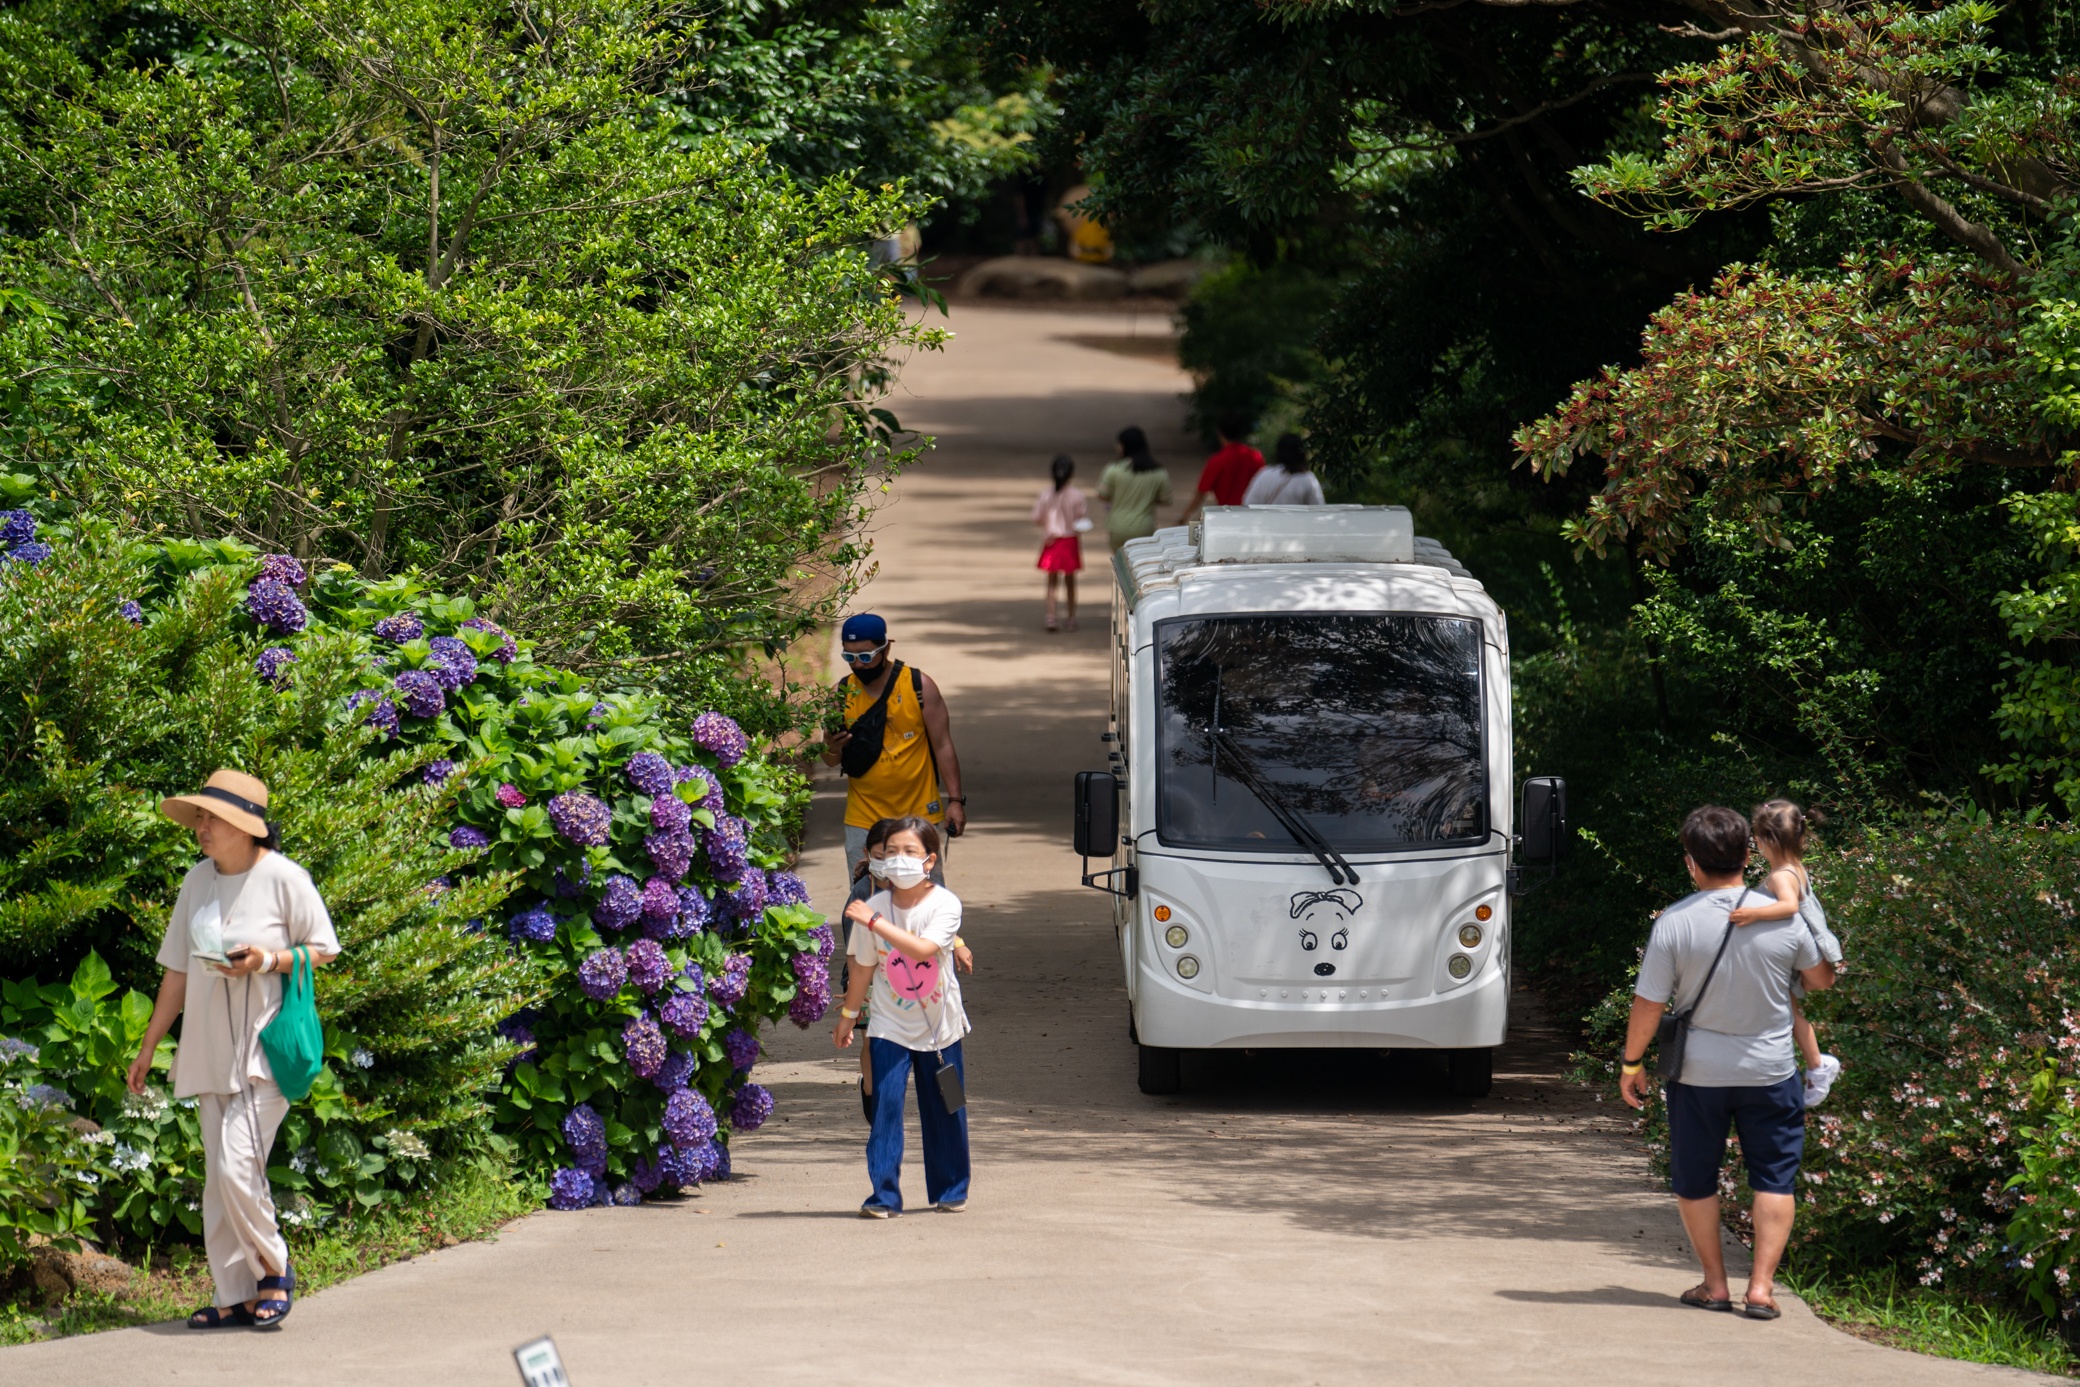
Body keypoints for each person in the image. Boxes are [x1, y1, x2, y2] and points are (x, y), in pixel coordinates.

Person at [126, 770, 340, 1330]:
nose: (202, 827)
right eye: (199, 817)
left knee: (239, 1165)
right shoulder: (196, 882)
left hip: (263, 1049)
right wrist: (150, 1045)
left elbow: (323, 949)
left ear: (247, 827)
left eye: (213, 818)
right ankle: (237, 1295)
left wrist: (266, 960)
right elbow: (176, 971)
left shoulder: (284, 878)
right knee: (219, 1179)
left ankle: (275, 1268)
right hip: (208, 1048)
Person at [1619, 805, 1836, 1321]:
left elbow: (1648, 1005)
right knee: (1774, 1180)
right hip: (1772, 1072)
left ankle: (1714, 1285)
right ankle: (1760, 1289)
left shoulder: (1674, 923)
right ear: (1746, 854)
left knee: (1695, 1179)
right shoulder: (1783, 916)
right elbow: (1822, 980)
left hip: (1699, 1076)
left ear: (1691, 863)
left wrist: (1632, 1064)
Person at [832, 818, 971, 1216]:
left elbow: (924, 949)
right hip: (888, 1026)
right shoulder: (872, 907)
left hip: (940, 1027)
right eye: (891, 851)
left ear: (929, 861)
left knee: (947, 1110)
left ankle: (951, 1188)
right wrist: (848, 1015)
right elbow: (861, 967)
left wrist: (876, 923)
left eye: (909, 852)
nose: (897, 860)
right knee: (885, 1111)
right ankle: (884, 1196)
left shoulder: (945, 904)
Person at [820, 613, 966, 883]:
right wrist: (830, 747)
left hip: (919, 816)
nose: (858, 665)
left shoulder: (919, 686)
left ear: (886, 648)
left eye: (865, 656)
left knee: (926, 904)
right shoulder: (839, 695)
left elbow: (943, 745)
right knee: (868, 903)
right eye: (849, 657)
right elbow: (830, 761)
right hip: (863, 819)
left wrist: (956, 801)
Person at [1728, 799, 1846, 1107]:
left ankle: (1818, 1065)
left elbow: (1789, 907)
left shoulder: (1782, 876)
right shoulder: (1796, 869)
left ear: (1767, 840)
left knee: (1790, 1015)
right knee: (1790, 1013)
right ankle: (1814, 1064)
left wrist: (1753, 915)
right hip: (1794, 955)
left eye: (1756, 839)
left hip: (1793, 957)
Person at [1032, 453, 1089, 632]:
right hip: (1070, 540)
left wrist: (1048, 525)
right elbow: (1081, 518)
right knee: (1071, 582)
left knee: (1051, 582)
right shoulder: (1077, 495)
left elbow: (1037, 517)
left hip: (1051, 541)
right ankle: (1071, 617)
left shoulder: (1045, 495)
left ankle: (1051, 616)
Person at [1095, 425, 1173, 550]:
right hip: (1145, 528)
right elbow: (1166, 500)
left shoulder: (1113, 470)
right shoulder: (1159, 472)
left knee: (1121, 566)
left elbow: (1102, 495)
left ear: (1123, 446)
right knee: (1140, 565)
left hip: (1118, 527)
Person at [1178, 412, 1264, 523]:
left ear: (1219, 432)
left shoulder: (1217, 460)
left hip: (1226, 516)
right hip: (1252, 516)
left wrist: (1184, 516)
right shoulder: (1256, 457)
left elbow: (1201, 493)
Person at [1241, 432, 1326, 506]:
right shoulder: (1307, 479)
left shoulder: (1264, 474)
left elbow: (1248, 502)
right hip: (1297, 524)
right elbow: (1319, 508)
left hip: (1266, 524)